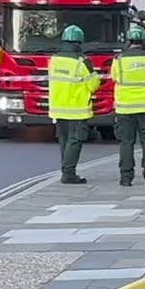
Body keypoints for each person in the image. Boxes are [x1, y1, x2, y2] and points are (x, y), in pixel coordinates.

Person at [47, 25, 101, 184]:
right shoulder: (82, 62)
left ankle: (65, 170)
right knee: (75, 141)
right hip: (77, 109)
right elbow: (93, 85)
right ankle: (68, 173)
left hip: (58, 108)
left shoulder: (54, 60)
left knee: (64, 141)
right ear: (79, 43)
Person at [110, 25, 145, 187]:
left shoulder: (119, 60)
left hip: (125, 108)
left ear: (129, 40)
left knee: (126, 142)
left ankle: (126, 178)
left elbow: (114, 77)